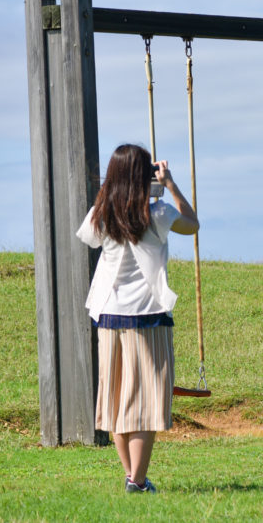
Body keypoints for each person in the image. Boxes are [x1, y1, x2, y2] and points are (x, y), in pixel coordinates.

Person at [76, 143, 199, 494]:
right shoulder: (156, 213)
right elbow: (193, 224)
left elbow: (88, 237)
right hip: (148, 314)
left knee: (117, 397)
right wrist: (171, 185)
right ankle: (138, 480)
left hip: (110, 314)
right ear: (145, 176)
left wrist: (111, 191)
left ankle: (133, 477)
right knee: (147, 399)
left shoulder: (103, 213)